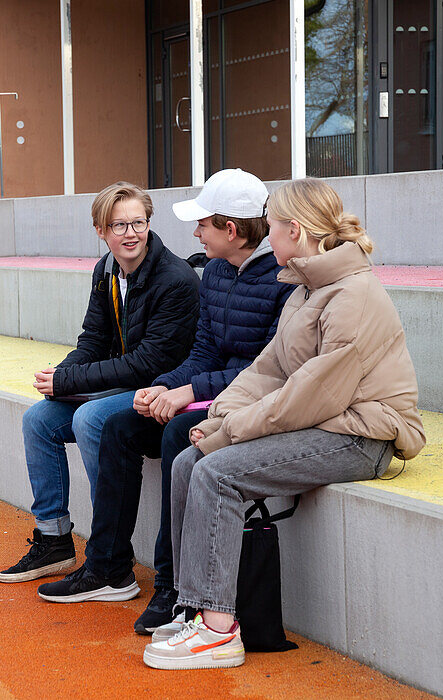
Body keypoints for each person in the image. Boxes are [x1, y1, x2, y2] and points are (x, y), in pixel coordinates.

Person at [143, 178, 426, 670]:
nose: (266, 236)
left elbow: (310, 394)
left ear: (296, 230)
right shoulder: (306, 287)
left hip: (364, 434)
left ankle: (217, 630)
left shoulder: (351, 294)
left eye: (271, 227)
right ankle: (193, 606)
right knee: (190, 461)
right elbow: (268, 370)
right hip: (327, 421)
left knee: (218, 471)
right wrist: (221, 413)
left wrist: (230, 431)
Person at [35, 169, 293, 634]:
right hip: (207, 394)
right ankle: (108, 566)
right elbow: (203, 351)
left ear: (230, 230)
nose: (194, 233)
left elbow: (264, 371)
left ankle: (172, 586)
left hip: (249, 403)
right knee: (117, 425)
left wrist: (186, 392)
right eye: (119, 225)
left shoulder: (281, 281)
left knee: (176, 432)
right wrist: (164, 386)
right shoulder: (214, 271)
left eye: (203, 225)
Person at [0, 181, 200, 584]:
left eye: (138, 223)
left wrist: (70, 379)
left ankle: (107, 554)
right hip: (125, 381)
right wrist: (60, 376)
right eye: (118, 225)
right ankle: (54, 541)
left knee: (91, 418)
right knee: (38, 420)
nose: (130, 234)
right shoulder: (106, 269)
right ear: (101, 231)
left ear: (149, 223)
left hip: (158, 388)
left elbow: (148, 363)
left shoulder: (175, 279)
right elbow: (92, 339)